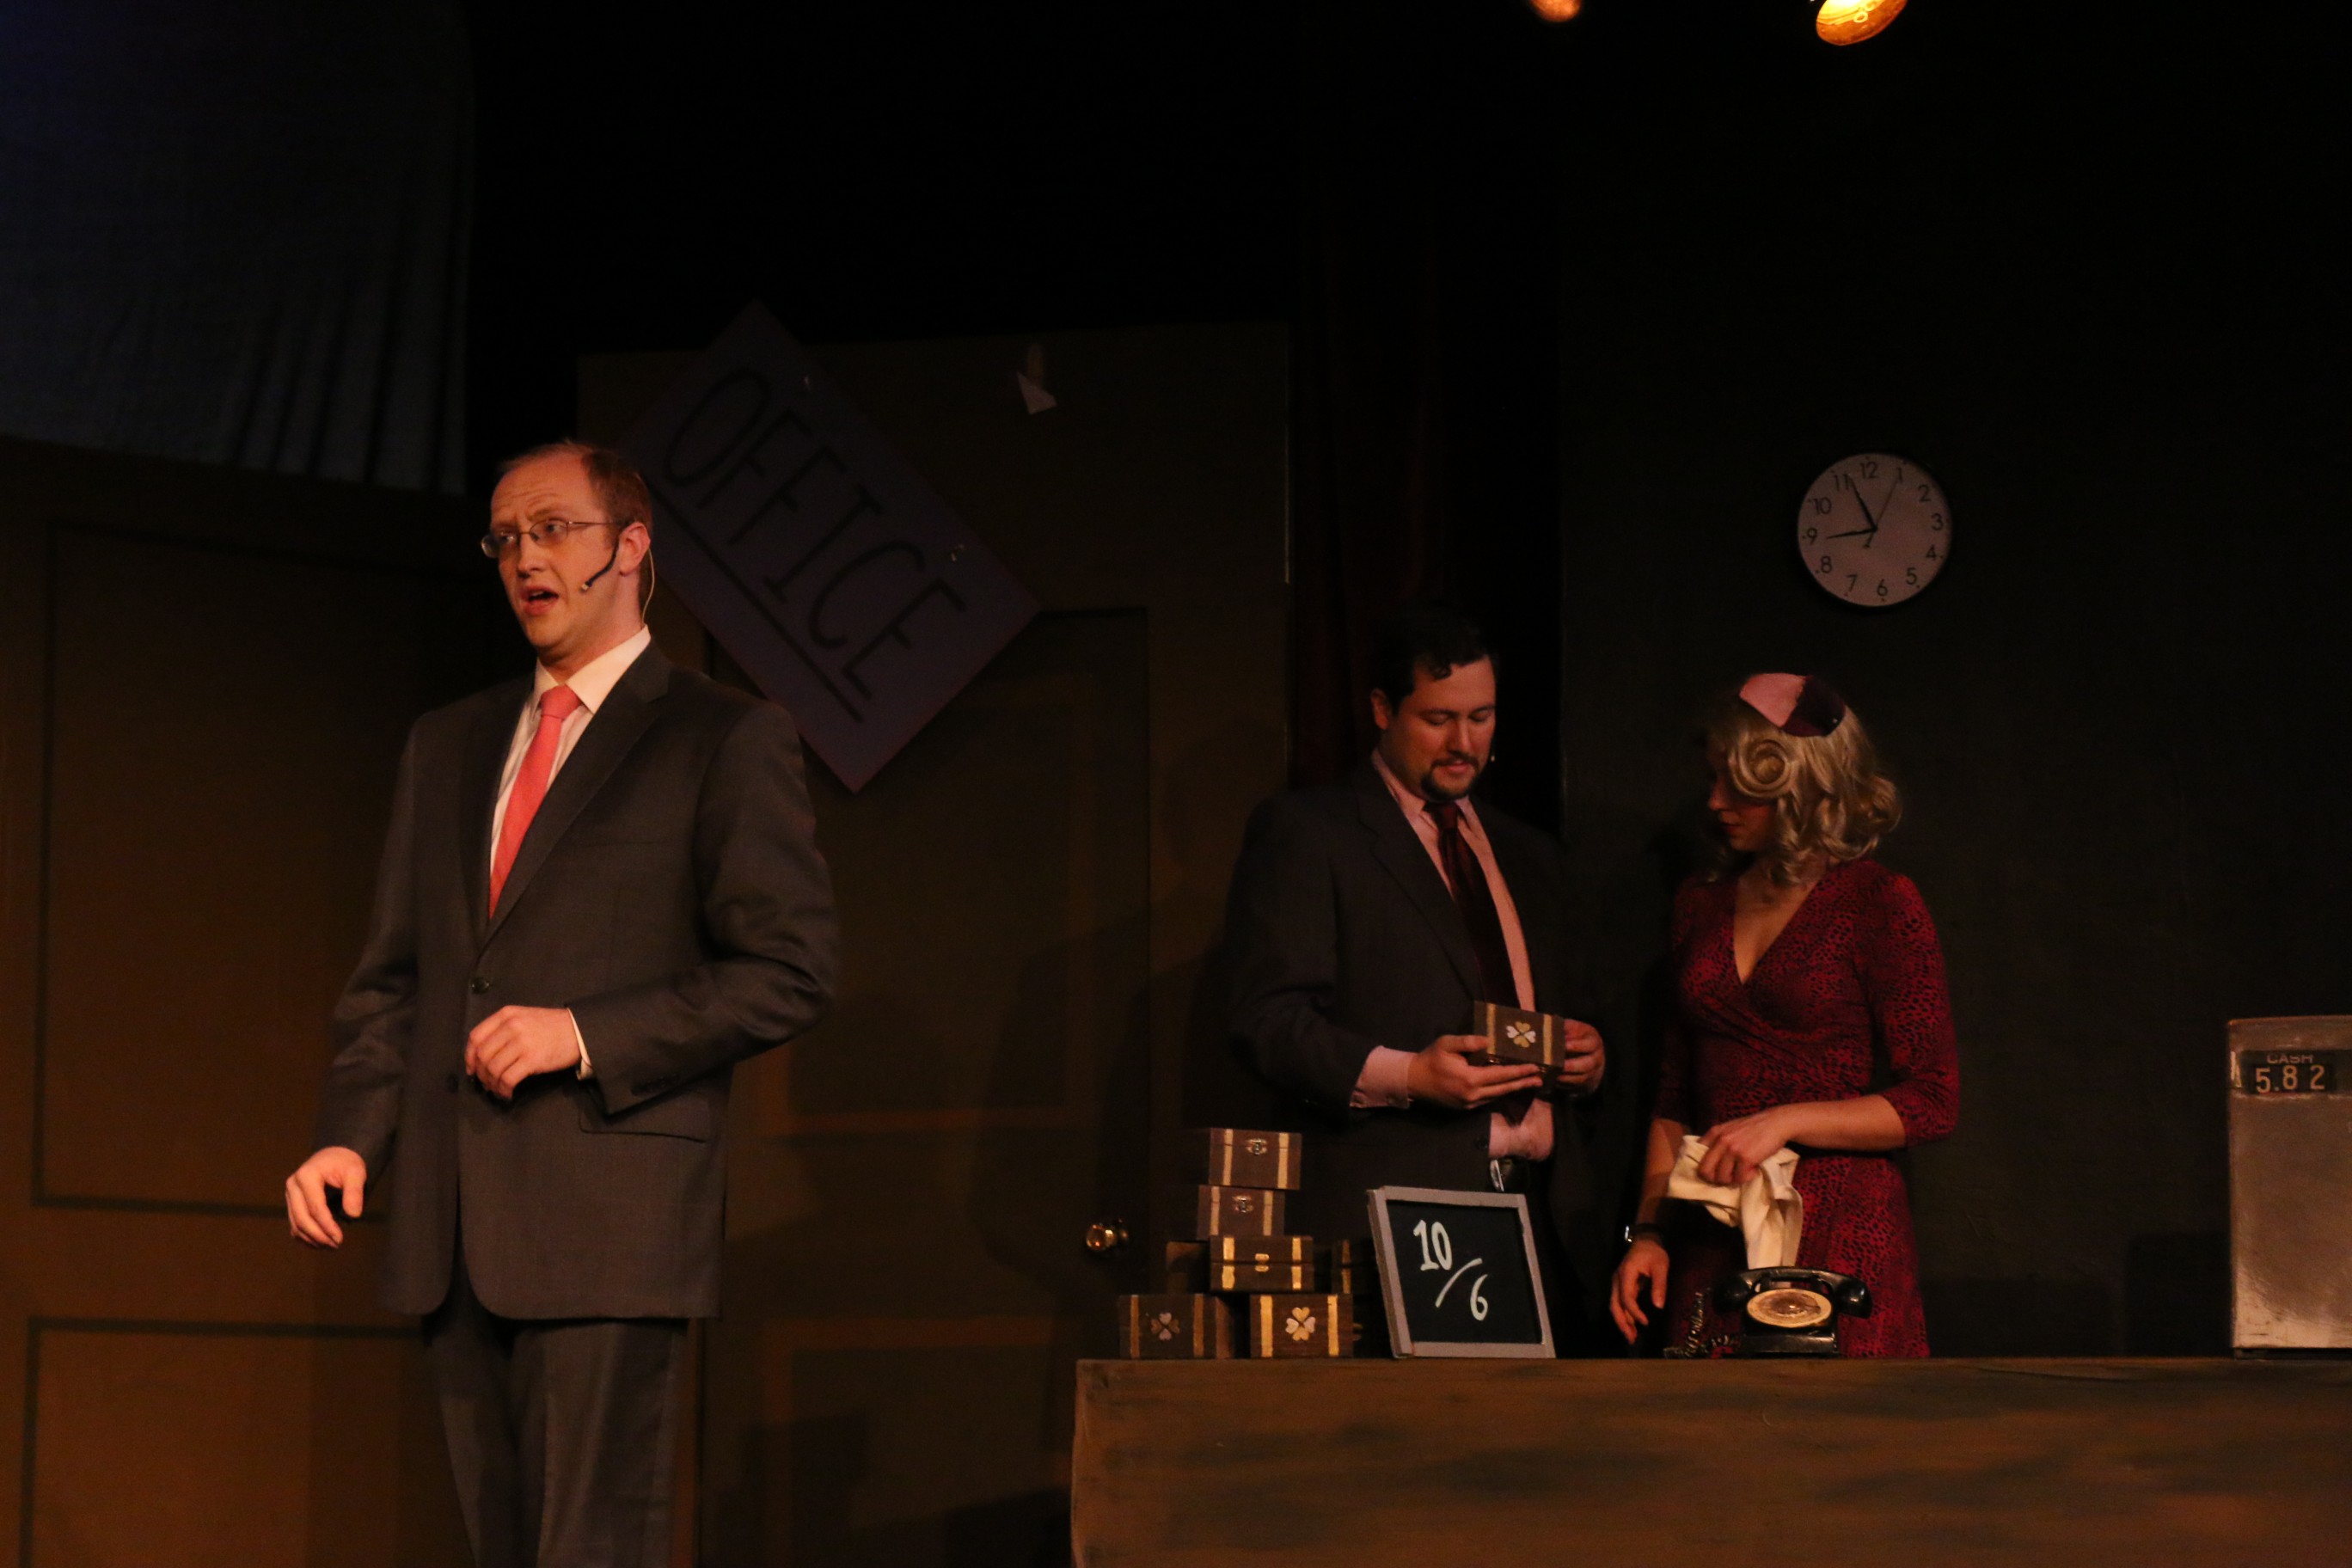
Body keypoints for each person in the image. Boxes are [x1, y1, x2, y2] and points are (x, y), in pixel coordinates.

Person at [283, 440, 837, 1565]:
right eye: (505, 538)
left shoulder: (719, 735)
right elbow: (399, 978)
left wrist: (582, 1034)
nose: (525, 558)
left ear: (630, 547)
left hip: (607, 1223)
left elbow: (789, 968)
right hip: (453, 1223)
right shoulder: (449, 743)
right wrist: (350, 1137)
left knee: (588, 1549)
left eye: (553, 530)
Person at [1223, 602, 1628, 1347]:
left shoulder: (1532, 854)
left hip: (1548, 1221)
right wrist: (1409, 1075)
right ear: (1383, 709)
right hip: (1401, 1220)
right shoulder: (1311, 833)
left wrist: (1591, 1061)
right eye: (1439, 719)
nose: (1463, 743)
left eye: (1481, 718)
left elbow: (1583, 1011)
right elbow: (1268, 1022)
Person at [1610, 673, 1957, 1357]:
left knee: (1837, 1422)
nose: (1716, 802)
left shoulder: (1877, 902)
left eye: (1739, 786)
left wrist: (1784, 1122)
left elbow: (1932, 1101)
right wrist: (1648, 1233)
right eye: (1713, 778)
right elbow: (1675, 1097)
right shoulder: (1701, 903)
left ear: (1796, 786)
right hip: (1716, 1223)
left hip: (1839, 1226)